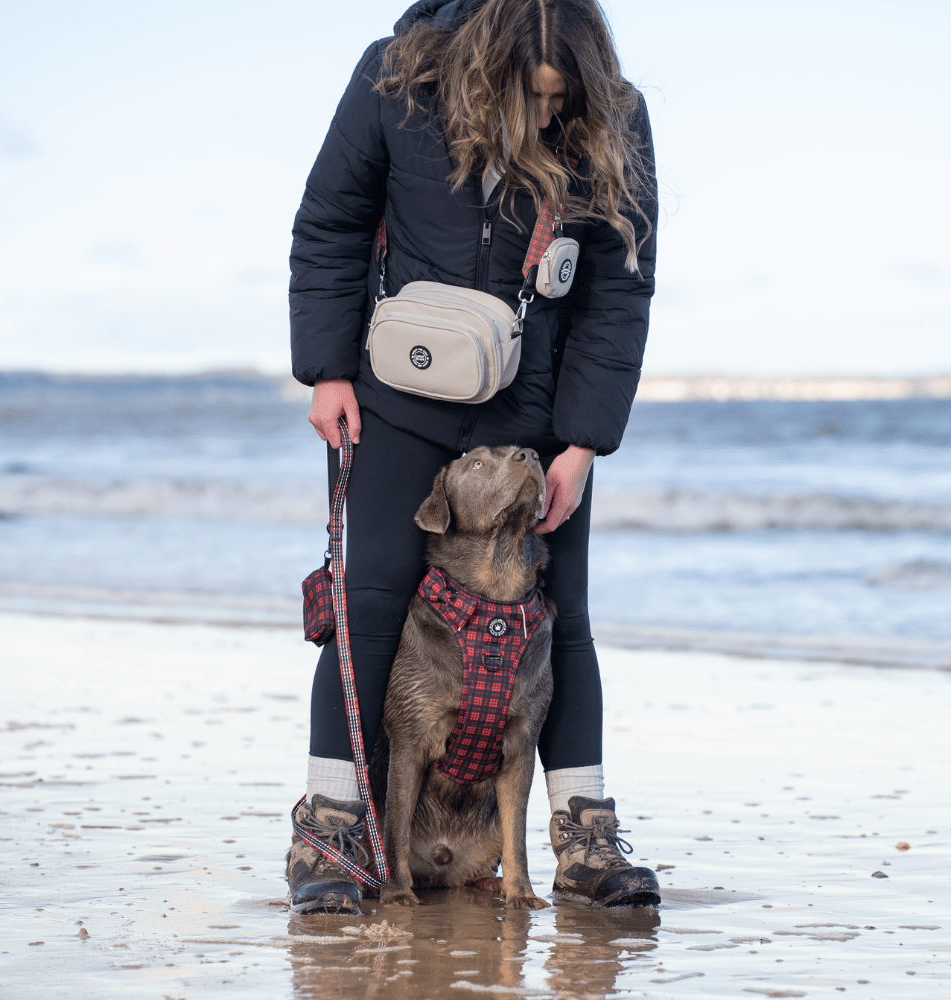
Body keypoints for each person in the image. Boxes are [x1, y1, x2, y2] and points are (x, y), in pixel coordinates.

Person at [287, 0, 658, 914]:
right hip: (396, 398)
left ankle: (583, 839)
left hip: (537, 419)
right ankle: (331, 834)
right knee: (364, 606)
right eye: (527, 95)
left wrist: (581, 443)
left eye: (558, 98)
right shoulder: (393, 78)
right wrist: (328, 369)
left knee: (560, 620)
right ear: (479, 66)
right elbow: (330, 223)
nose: (544, 116)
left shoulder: (614, 109)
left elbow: (621, 289)